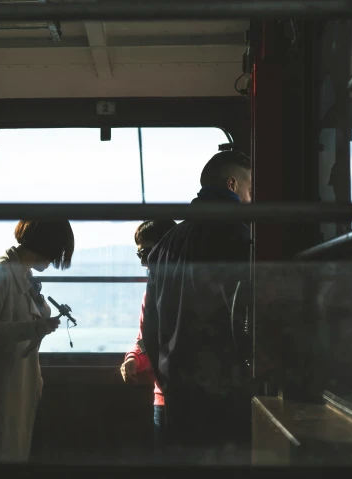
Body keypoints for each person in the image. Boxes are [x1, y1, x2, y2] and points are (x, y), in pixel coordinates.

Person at [142, 150, 253, 461]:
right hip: (226, 393)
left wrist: (168, 379)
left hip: (177, 392)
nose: (252, 197)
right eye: (250, 189)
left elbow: (150, 329)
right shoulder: (240, 236)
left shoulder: (165, 244)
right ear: (233, 185)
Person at [0, 219, 74, 462]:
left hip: (16, 383)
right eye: (55, 254)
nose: (53, 261)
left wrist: (41, 316)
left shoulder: (25, 276)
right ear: (46, 245)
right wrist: (32, 327)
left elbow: (29, 318)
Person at [119, 219, 177, 446]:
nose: (144, 262)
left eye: (147, 253)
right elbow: (146, 339)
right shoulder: (151, 292)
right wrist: (133, 358)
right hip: (163, 399)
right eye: (139, 255)